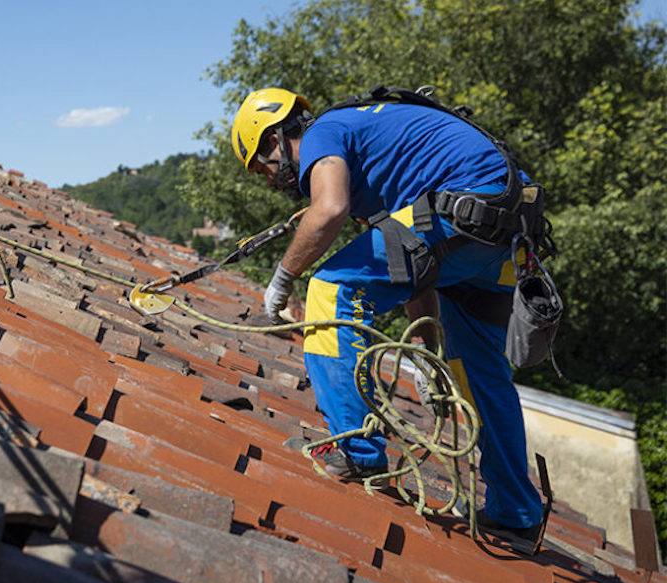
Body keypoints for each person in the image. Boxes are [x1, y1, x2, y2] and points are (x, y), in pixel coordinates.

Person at [230, 87, 544, 548]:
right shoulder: (371, 151)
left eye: (262, 163)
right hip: (506, 225)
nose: (268, 177)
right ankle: (516, 513)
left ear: (276, 135)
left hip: (462, 210)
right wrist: (423, 349)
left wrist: (284, 276)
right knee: (478, 372)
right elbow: (415, 259)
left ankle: (356, 450)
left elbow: (328, 209)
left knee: (331, 289)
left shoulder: (323, 133)